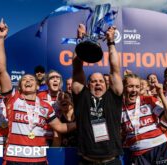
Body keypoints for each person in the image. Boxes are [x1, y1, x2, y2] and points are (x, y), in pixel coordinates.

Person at [0, 19, 75, 164]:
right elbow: (1, 70)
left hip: (39, 160)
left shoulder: (46, 107)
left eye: (31, 79)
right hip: (14, 160)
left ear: (38, 86)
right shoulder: (13, 98)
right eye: (24, 80)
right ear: (19, 86)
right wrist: (0, 39)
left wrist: (84, 122)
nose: (28, 80)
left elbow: (60, 127)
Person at [72, 24, 123, 164]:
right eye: (94, 81)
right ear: (88, 85)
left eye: (101, 81)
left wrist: (111, 42)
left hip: (111, 160)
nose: (98, 83)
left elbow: (115, 70)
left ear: (106, 84)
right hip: (87, 161)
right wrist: (80, 41)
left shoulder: (114, 96)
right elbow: (77, 68)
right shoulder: (82, 96)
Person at [121, 73, 167, 165]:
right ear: (123, 87)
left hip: (160, 148)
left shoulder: (148, 100)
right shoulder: (118, 107)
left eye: (137, 86)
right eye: (130, 86)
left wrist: (161, 94)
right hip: (138, 153)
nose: (134, 90)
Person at [38, 70, 63, 146]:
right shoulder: (39, 96)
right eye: (52, 78)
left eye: (57, 78)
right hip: (42, 136)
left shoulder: (65, 97)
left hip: (60, 136)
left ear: (60, 83)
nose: (55, 80)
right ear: (47, 82)